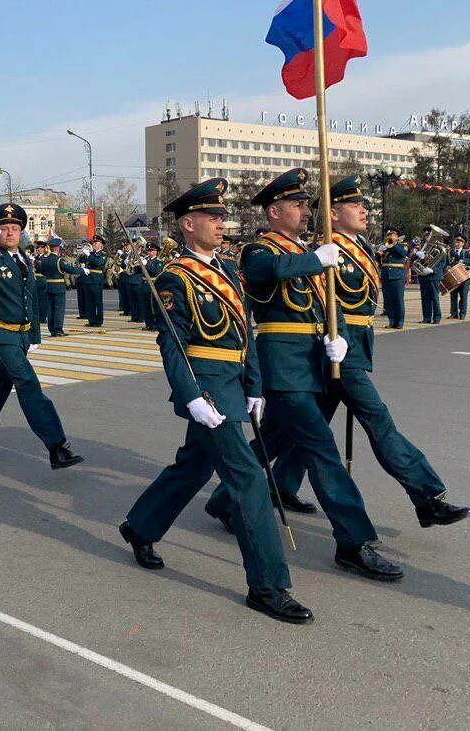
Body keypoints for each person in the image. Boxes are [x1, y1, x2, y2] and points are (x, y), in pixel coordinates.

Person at [119, 179, 312, 624]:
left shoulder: (227, 270)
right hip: (206, 391)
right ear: (189, 225)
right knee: (248, 481)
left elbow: (246, 333)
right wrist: (191, 398)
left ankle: (141, 525)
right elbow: (173, 345)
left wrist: (256, 385)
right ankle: (267, 585)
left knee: (193, 465)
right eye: (214, 217)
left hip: (234, 383)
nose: (223, 224)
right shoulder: (175, 277)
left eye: (224, 217)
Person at [206, 169, 404, 581]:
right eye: (297, 205)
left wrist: (341, 341)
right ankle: (353, 541)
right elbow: (269, 272)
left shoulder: (308, 252)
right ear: (274, 211)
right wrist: (316, 260)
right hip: (281, 368)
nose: (306, 211)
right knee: (322, 448)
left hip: (314, 362)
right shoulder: (259, 250)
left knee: (276, 439)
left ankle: (225, 500)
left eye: (307, 205)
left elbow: (326, 308)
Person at [270, 177, 470, 528]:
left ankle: (262, 490)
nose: (365, 210)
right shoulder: (326, 251)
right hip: (336, 350)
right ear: (332, 214)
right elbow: (323, 302)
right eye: (354, 205)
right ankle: (427, 496)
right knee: (380, 422)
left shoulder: (358, 245)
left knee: (298, 430)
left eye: (364, 204)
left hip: (355, 346)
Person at [0, 203, 82, 469]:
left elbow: (32, 299)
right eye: (4, 228)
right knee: (28, 383)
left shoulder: (25, 259)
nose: (10, 233)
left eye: (15, 228)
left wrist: (35, 335)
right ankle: (57, 446)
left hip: (21, 336)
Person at [37, 237, 86, 337]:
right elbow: (70, 269)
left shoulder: (45, 260)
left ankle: (52, 330)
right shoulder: (59, 260)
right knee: (59, 309)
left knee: (50, 309)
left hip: (48, 286)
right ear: (58, 249)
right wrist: (83, 270)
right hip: (58, 287)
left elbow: (41, 270)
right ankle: (58, 329)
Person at [376, 226, 408, 329]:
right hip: (386, 276)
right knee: (388, 300)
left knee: (398, 300)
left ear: (397, 236)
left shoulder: (402, 245)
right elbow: (380, 263)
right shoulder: (385, 247)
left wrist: (393, 244)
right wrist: (378, 254)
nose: (390, 236)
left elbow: (402, 254)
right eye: (389, 235)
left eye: (393, 235)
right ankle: (391, 321)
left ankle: (399, 322)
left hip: (397, 276)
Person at [415, 228, 446, 324]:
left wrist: (433, 270)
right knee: (424, 297)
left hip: (434, 276)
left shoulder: (441, 248)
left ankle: (437, 317)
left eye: (429, 236)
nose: (428, 238)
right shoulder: (423, 247)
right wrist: (417, 255)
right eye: (427, 236)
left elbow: (442, 263)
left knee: (434, 297)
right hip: (423, 275)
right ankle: (426, 317)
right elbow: (415, 261)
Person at [81, 235, 108, 327]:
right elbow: (81, 260)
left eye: (96, 243)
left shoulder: (103, 254)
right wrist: (83, 254)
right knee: (89, 302)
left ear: (101, 245)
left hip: (97, 279)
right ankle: (91, 320)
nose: (94, 244)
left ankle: (99, 321)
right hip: (88, 279)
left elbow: (98, 262)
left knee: (97, 301)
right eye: (93, 243)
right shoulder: (91, 254)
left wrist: (89, 255)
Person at [138, 242, 164, 331]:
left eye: (152, 251)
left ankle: (155, 325)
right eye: (148, 251)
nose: (149, 252)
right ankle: (148, 324)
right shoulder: (146, 261)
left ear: (156, 251)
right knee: (146, 306)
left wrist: (145, 265)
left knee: (153, 307)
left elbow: (154, 271)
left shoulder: (159, 262)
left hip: (153, 285)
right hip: (144, 285)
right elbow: (138, 271)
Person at [447, 235, 470, 319]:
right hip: (454, 276)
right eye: (455, 242)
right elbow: (447, 262)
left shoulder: (466, 252)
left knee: (463, 296)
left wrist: (464, 261)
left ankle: (462, 313)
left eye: (459, 242)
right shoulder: (450, 252)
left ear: (463, 243)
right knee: (453, 295)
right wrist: (447, 266)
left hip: (464, 277)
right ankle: (453, 313)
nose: (457, 244)